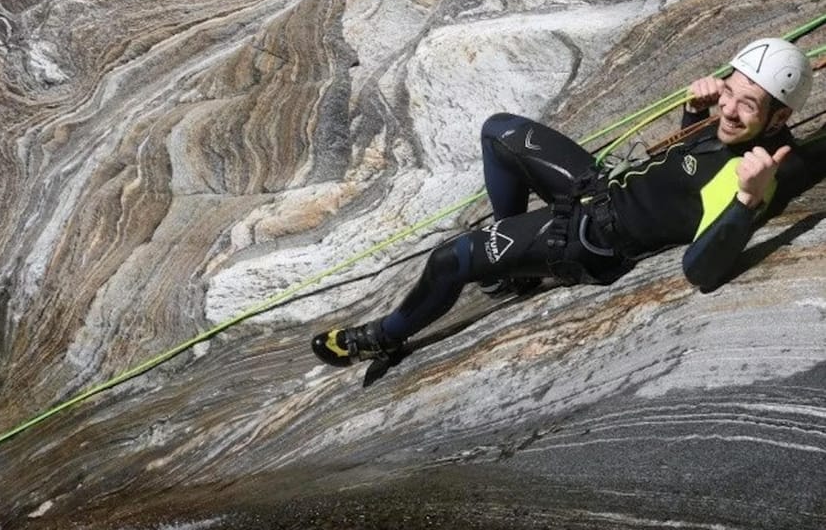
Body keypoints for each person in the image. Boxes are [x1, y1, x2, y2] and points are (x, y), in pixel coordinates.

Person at [312, 37, 820, 368]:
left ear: (778, 120)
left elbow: (701, 269)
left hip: (591, 239)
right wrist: (694, 112)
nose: (729, 108)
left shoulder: (753, 174)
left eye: (746, 105)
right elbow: (684, 171)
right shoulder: (727, 125)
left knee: (451, 260)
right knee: (498, 131)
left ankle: (384, 336)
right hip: (596, 190)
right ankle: (515, 270)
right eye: (729, 91)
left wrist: (748, 202)